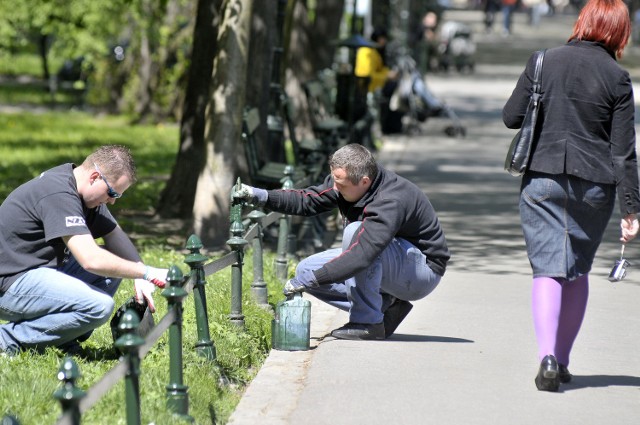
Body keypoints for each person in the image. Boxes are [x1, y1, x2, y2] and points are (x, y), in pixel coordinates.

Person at [503, 0, 640, 392]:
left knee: (547, 267)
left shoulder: (543, 61)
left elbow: (511, 117)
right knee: (576, 269)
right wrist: (632, 209)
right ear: (619, 32)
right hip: (595, 186)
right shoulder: (617, 78)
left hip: (542, 179)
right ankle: (562, 361)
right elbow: (622, 152)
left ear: (583, 20)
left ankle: (545, 356)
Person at [234, 143, 450, 340]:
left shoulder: (389, 200)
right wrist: (258, 195)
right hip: (390, 258)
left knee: (354, 234)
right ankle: (386, 305)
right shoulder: (349, 182)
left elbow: (363, 254)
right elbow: (307, 200)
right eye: (334, 180)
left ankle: (368, 323)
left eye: (341, 184)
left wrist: (315, 280)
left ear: (364, 181)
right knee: (305, 270)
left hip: (421, 271)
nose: (335, 188)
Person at [0, 145, 168, 355]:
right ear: (95, 176)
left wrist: (139, 273)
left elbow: (114, 234)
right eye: (113, 192)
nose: (113, 201)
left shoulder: (80, 189)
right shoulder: (58, 193)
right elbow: (91, 260)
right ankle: (7, 341)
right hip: (8, 284)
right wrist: (148, 273)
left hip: (35, 271)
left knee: (115, 259)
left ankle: (62, 338)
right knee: (99, 306)